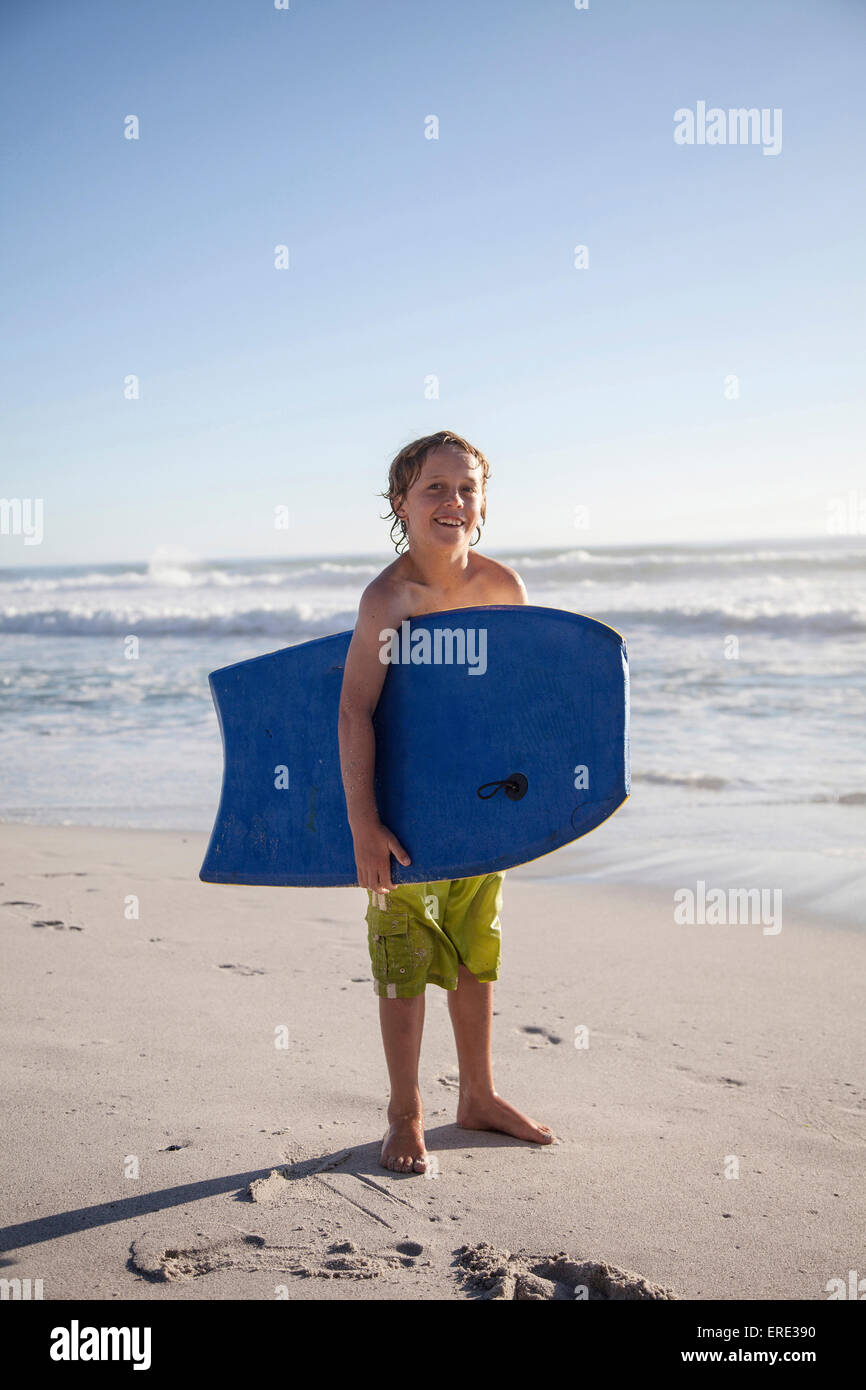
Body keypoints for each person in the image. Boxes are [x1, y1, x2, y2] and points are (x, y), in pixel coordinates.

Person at [338, 430, 555, 1173]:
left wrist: (526, 809)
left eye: (466, 489)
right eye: (435, 487)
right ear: (401, 502)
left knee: (474, 954)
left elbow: (516, 711)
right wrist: (364, 823)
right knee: (403, 963)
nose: (452, 502)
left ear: (482, 504)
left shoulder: (503, 589)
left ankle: (479, 1097)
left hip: (479, 809)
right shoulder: (388, 598)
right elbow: (355, 709)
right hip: (403, 814)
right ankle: (405, 1114)